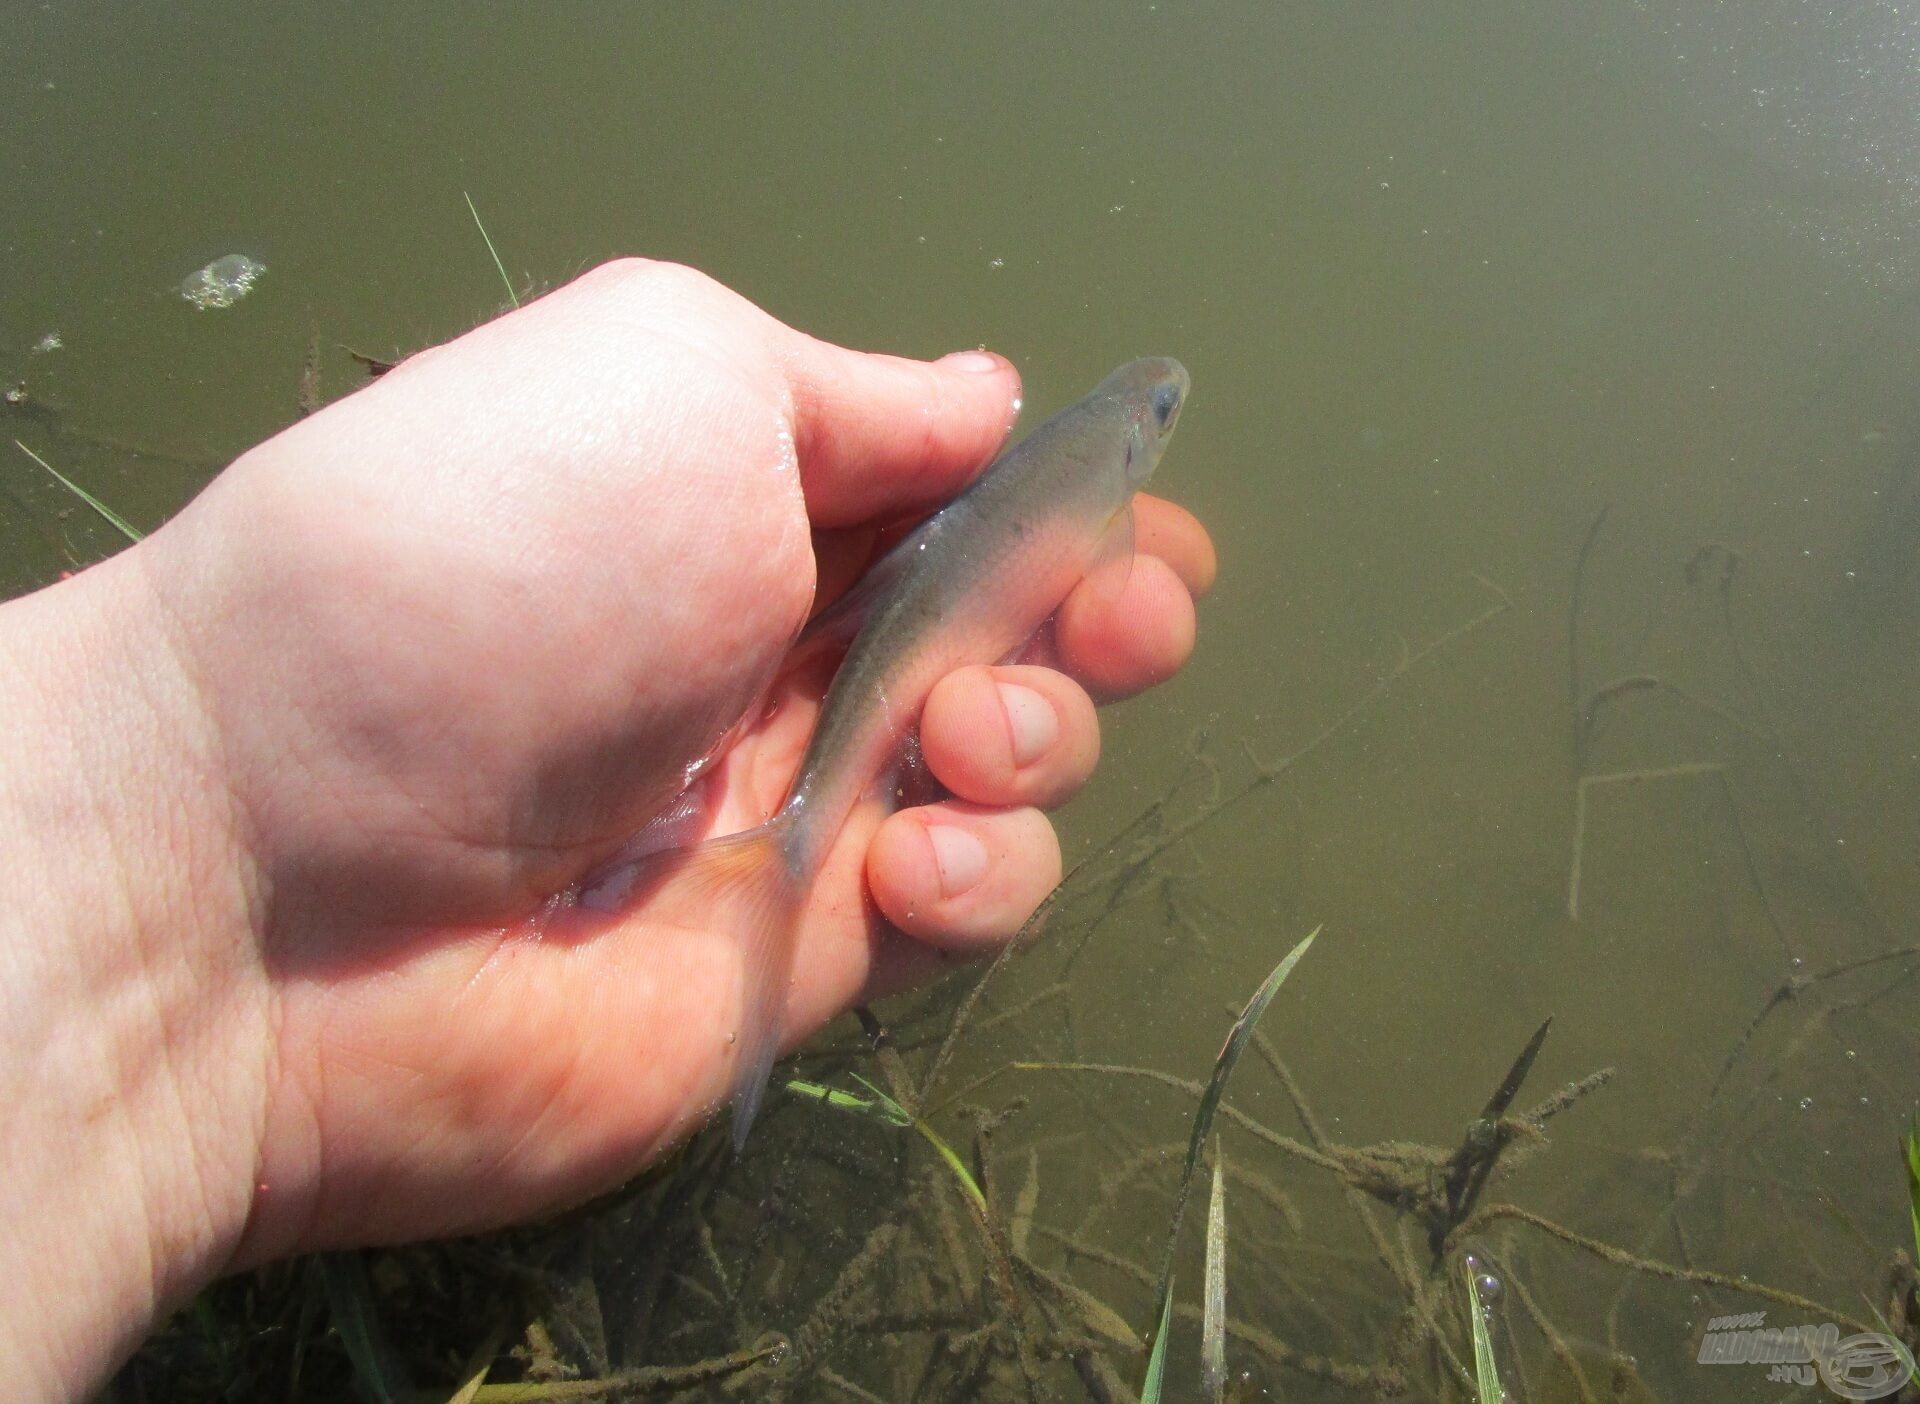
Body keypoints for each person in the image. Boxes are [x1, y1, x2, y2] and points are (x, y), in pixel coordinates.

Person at [0, 259, 1214, 1398]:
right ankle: (787, 866)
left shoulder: (1075, 469)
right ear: (1129, 444)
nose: (1161, 419)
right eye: (1158, 417)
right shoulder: (1100, 471)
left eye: (1157, 415)